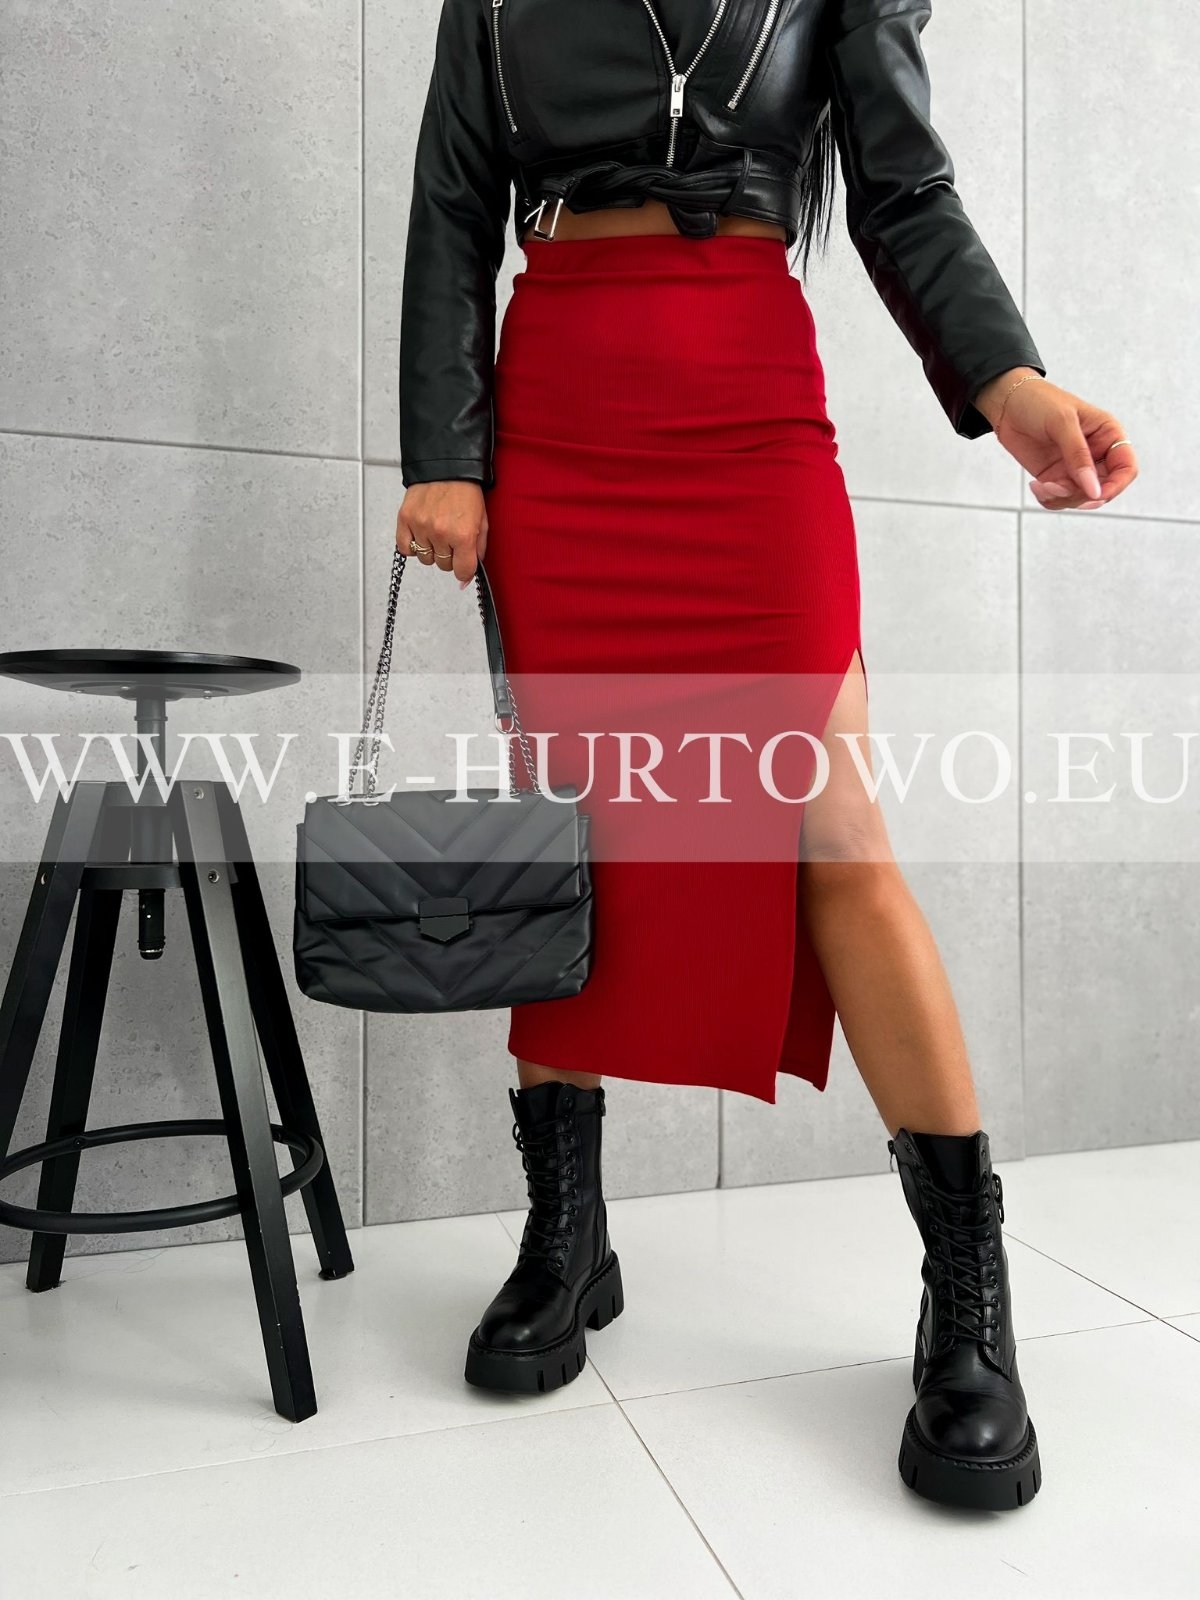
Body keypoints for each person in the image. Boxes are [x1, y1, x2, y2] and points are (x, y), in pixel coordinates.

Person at [394, 0, 1138, 1512]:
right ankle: (567, 1236)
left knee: (837, 838)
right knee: (576, 835)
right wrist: (446, 459)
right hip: (558, 417)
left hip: (746, 409)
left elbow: (904, 187)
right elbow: (452, 207)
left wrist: (1011, 385)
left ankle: (967, 1297)